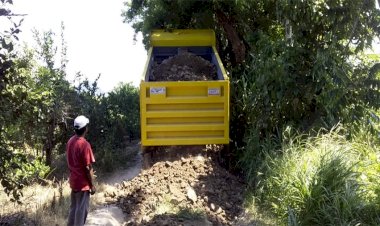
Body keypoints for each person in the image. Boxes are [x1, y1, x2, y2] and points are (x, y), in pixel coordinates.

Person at [66, 115, 96, 226]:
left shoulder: (70, 141)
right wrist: (92, 185)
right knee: (81, 211)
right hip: (83, 184)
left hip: (73, 181)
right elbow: (88, 167)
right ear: (85, 128)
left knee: (74, 209)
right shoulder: (84, 144)